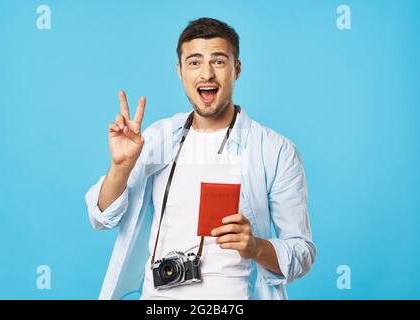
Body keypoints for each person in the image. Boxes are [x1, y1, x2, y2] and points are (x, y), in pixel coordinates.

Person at [85, 17, 316, 300]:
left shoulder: (275, 150)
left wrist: (255, 246)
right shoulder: (158, 137)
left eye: (218, 61)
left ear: (237, 69)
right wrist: (120, 167)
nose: (206, 73)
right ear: (180, 71)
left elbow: (303, 252)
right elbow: (102, 218)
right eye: (194, 62)